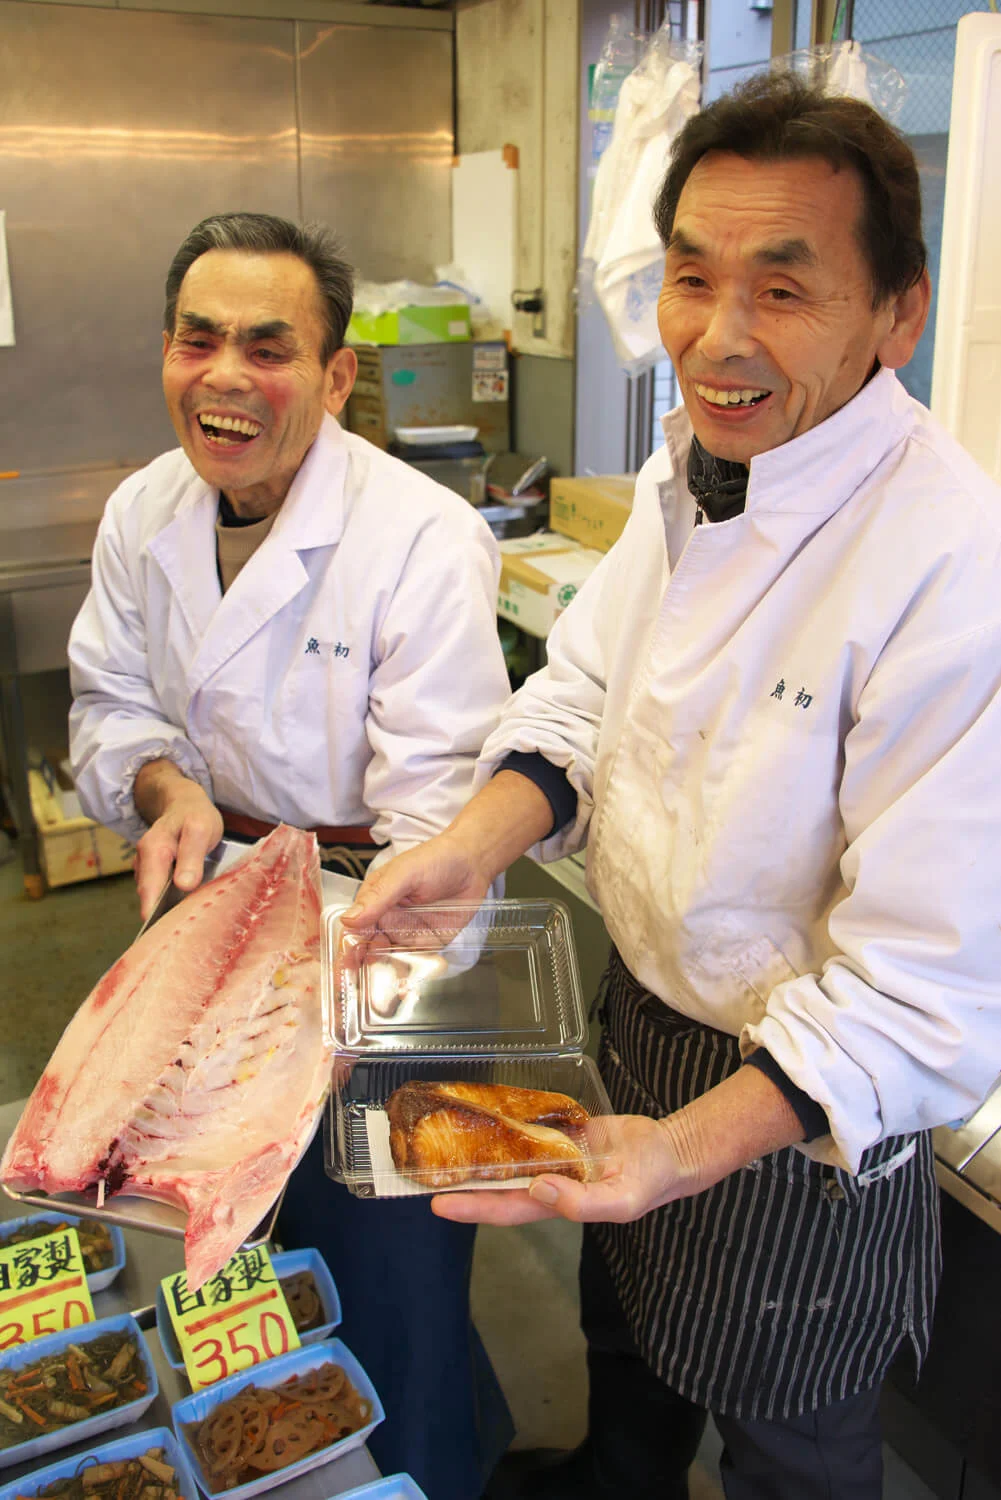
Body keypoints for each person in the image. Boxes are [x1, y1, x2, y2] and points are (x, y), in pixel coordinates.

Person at [345, 73, 1001, 1500]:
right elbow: (583, 697)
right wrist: (470, 846)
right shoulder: (699, 466)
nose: (718, 334)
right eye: (691, 279)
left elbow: (925, 993)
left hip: (801, 1107)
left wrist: (680, 1152)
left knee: (793, 1433)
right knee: (625, 1340)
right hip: (640, 1020)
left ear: (900, 313)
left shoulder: (954, 567)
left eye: (785, 287)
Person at [67, 211, 514, 1499]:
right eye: (198, 338)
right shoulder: (142, 510)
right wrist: (166, 789)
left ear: (332, 377)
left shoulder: (421, 537)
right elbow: (109, 703)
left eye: (269, 346)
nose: (225, 375)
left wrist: (314, 935)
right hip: (205, 920)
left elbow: (437, 819)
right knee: (241, 1241)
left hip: (389, 942)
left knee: (396, 1265)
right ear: (165, 353)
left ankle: (432, 1467)